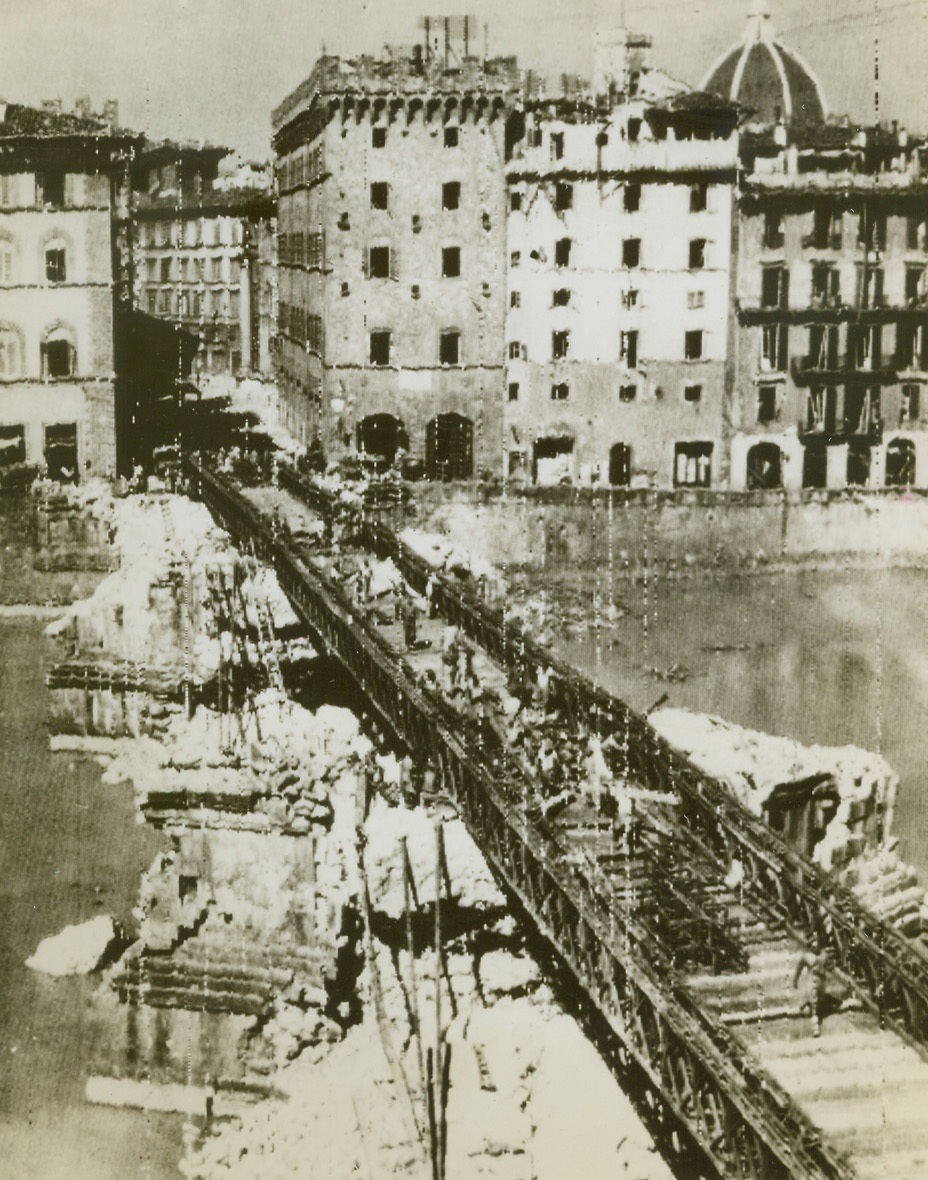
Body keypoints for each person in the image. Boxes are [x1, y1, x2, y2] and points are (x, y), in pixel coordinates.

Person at [793, 941, 832, 1038]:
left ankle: (805, 1003)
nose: (814, 948)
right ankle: (816, 1029)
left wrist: (826, 965)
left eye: (815, 946)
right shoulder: (807, 957)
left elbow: (831, 967)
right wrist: (795, 980)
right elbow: (799, 969)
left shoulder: (823, 956)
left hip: (821, 983)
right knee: (814, 1005)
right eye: (812, 946)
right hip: (813, 981)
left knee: (818, 1003)